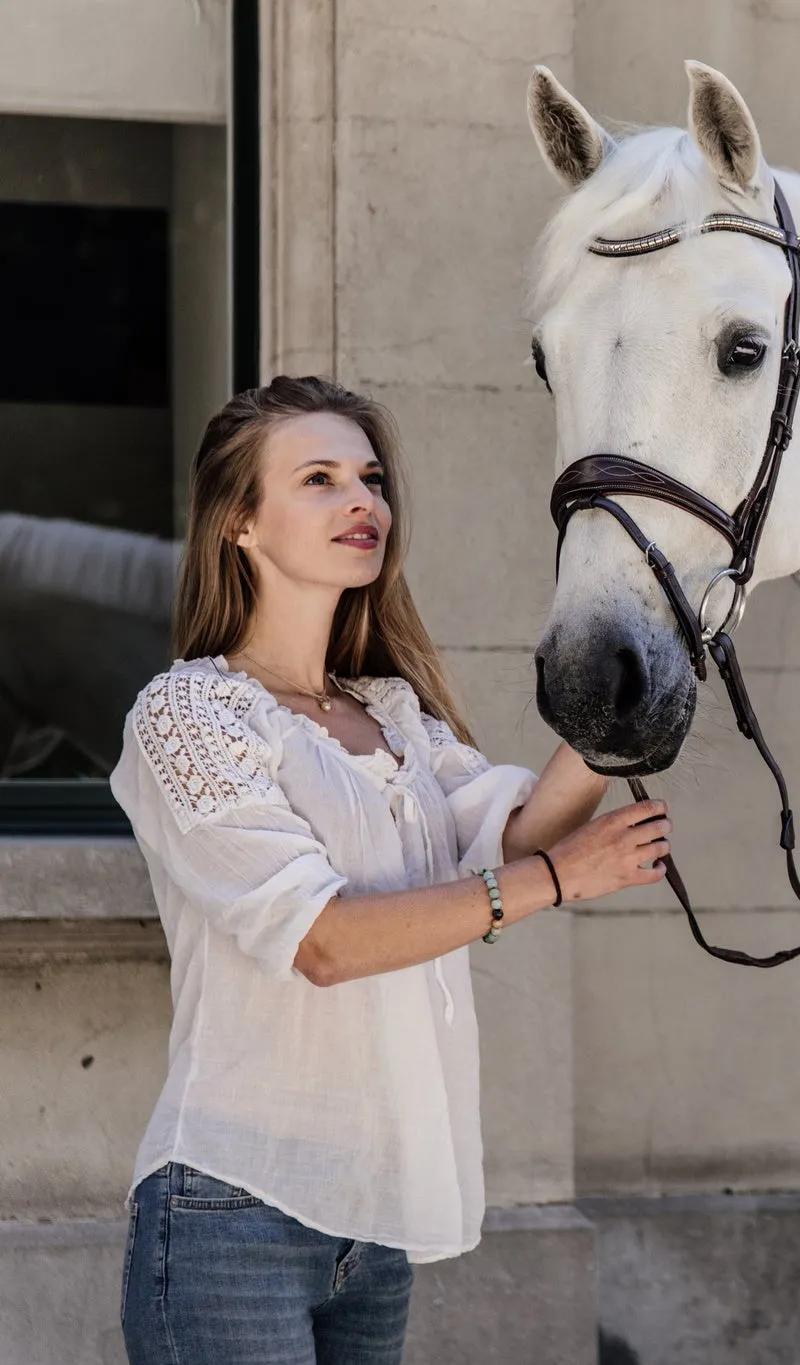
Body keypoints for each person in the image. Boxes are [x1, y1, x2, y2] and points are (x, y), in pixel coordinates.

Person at [113, 376, 668, 1364]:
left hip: (372, 1228)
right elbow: (322, 941)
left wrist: (634, 675)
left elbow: (516, 832)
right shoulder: (189, 716)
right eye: (320, 479)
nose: (362, 501)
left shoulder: (394, 716)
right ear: (240, 523)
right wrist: (554, 882)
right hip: (229, 1208)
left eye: (369, 478)